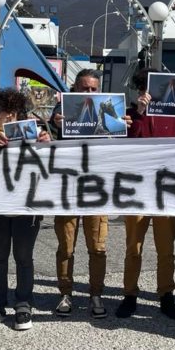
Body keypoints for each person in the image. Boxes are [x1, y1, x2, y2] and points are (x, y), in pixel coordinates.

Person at [119, 68, 175, 319]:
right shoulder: (129, 115)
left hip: (166, 191)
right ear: (140, 91)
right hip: (136, 190)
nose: (151, 94)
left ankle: (166, 294)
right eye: (146, 88)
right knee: (133, 247)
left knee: (166, 248)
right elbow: (125, 144)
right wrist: (139, 114)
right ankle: (129, 294)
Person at [0, 88, 51, 331]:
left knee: (24, 257)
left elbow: (52, 161)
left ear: (17, 114)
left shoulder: (36, 134)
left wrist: (46, 143)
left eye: (12, 112)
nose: (5, 117)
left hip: (26, 207)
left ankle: (23, 304)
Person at [50, 69, 115, 319]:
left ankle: (96, 294)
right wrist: (55, 121)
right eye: (84, 88)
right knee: (66, 247)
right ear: (74, 90)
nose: (89, 92)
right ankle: (65, 293)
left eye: (93, 89)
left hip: (97, 191)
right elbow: (52, 123)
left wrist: (125, 125)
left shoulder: (110, 111)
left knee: (98, 248)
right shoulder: (63, 110)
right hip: (68, 189)